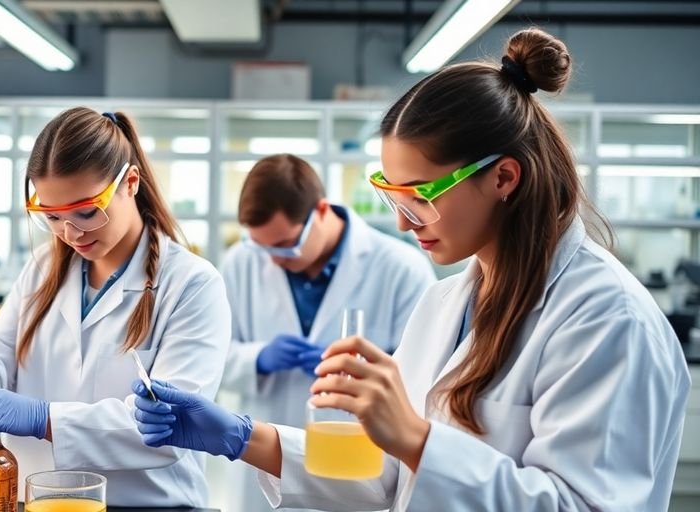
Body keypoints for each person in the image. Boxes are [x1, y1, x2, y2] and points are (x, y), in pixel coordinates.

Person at [131, 28, 691, 511]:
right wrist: (239, 436)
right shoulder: (445, 305)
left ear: (503, 179)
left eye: (420, 197)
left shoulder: (607, 320)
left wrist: (418, 438)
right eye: (392, 196)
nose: (403, 224)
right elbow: (383, 472)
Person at [0, 107, 231, 507]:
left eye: (87, 212)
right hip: (42, 500)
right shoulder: (42, 271)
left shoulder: (191, 284)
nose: (69, 233)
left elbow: (171, 430)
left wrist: (44, 419)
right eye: (50, 216)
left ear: (130, 183)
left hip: (150, 505)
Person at [217, 154, 435, 511]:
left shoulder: (401, 269)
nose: (273, 258)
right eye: (262, 246)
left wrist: (358, 371)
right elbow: (216, 356)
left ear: (321, 211)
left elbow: (422, 377)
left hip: (355, 467)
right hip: (263, 467)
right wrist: (258, 358)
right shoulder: (241, 263)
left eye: (285, 244)